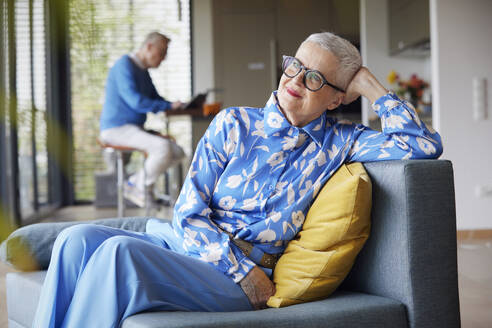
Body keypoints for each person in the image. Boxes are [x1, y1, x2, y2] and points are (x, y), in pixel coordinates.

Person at [33, 32, 442, 327]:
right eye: (295, 66)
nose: (295, 81)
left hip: (242, 272)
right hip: (200, 251)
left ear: (337, 98)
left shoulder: (341, 142)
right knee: (74, 240)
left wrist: (370, 84)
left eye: (314, 78)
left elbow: (422, 145)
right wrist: (238, 269)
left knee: (118, 252)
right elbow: (188, 212)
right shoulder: (234, 122)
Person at [99, 31, 185, 207]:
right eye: (161, 53)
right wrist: (167, 107)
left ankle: (141, 185)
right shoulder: (124, 65)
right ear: (148, 47)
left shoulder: (143, 72)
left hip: (134, 129)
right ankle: (137, 186)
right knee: (162, 148)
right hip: (116, 129)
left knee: (178, 152)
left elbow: (156, 98)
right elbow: (136, 101)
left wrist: (173, 104)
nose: (163, 58)